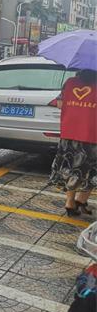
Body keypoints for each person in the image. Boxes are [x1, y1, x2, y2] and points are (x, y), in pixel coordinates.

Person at [49, 69, 97, 216]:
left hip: (69, 134)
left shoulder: (69, 83)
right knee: (90, 170)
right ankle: (81, 200)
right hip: (92, 135)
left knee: (70, 169)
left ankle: (70, 203)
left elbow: (59, 104)